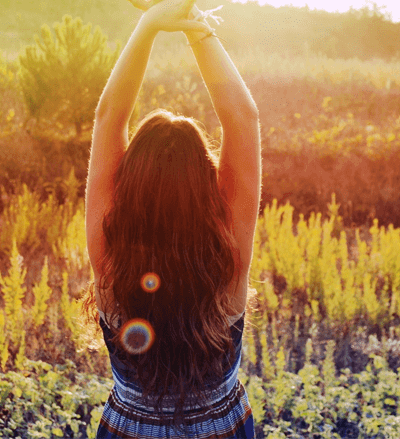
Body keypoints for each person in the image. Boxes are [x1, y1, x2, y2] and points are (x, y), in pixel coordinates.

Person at [84, 0, 260, 436]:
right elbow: (244, 118)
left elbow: (109, 118)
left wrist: (148, 26)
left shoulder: (110, 259)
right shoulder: (228, 258)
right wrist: (197, 27)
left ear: (130, 184)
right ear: (205, 182)